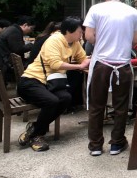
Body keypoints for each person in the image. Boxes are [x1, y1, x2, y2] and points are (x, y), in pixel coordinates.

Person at [84, 0, 137, 156]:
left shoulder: (96, 9)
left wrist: (101, 43)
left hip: (101, 64)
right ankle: (116, 144)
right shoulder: (133, 12)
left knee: (96, 105)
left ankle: (95, 145)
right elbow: (135, 41)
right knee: (121, 106)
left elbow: (88, 36)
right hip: (123, 65)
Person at [17, 17, 90, 152]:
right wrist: (81, 66)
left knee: (66, 98)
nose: (82, 35)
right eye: (80, 32)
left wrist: (91, 63)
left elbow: (83, 58)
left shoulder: (75, 43)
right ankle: (38, 135)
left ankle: (34, 130)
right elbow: (55, 64)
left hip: (50, 82)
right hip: (31, 81)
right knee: (51, 101)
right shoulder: (54, 40)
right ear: (69, 31)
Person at [0, 16, 36, 82]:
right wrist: (33, 44)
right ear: (25, 25)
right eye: (31, 28)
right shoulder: (14, 31)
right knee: (34, 64)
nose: (31, 31)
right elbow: (18, 49)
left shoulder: (12, 29)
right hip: (2, 65)